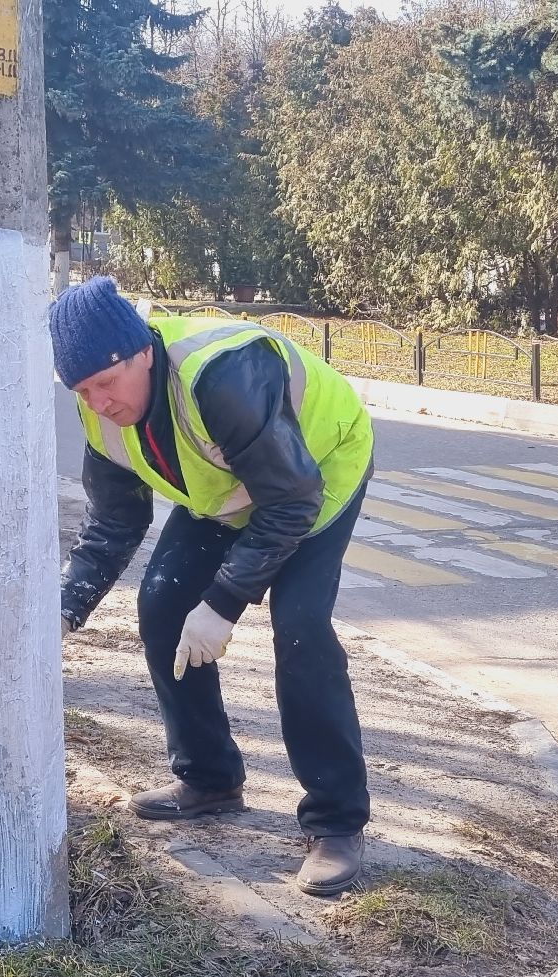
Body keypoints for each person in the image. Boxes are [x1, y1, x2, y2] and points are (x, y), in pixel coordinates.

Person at [54, 277, 376, 897]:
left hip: (315, 472)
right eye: (83, 391)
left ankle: (337, 822)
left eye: (106, 382)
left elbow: (289, 500)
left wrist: (225, 602)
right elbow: (115, 521)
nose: (99, 402)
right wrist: (67, 607)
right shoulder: (102, 413)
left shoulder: (223, 373)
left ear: (141, 350)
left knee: (302, 626)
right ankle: (209, 777)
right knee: (163, 602)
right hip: (231, 492)